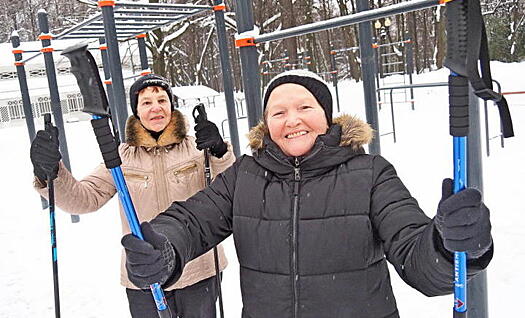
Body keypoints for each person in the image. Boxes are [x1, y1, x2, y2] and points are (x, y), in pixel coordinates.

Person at [121, 70, 493, 318]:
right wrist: (163, 248)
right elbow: (192, 220)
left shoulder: (369, 174)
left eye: (304, 107)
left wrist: (450, 245)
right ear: (267, 125)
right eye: (278, 112)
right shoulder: (245, 176)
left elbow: (417, 258)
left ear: (326, 115)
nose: (292, 120)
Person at [30, 74, 236, 318]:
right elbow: (85, 198)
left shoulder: (197, 148)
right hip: (144, 272)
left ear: (172, 105)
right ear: (136, 111)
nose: (156, 107)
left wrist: (220, 151)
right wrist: (52, 172)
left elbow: (229, 189)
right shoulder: (121, 158)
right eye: (146, 102)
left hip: (197, 269)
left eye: (162, 100)